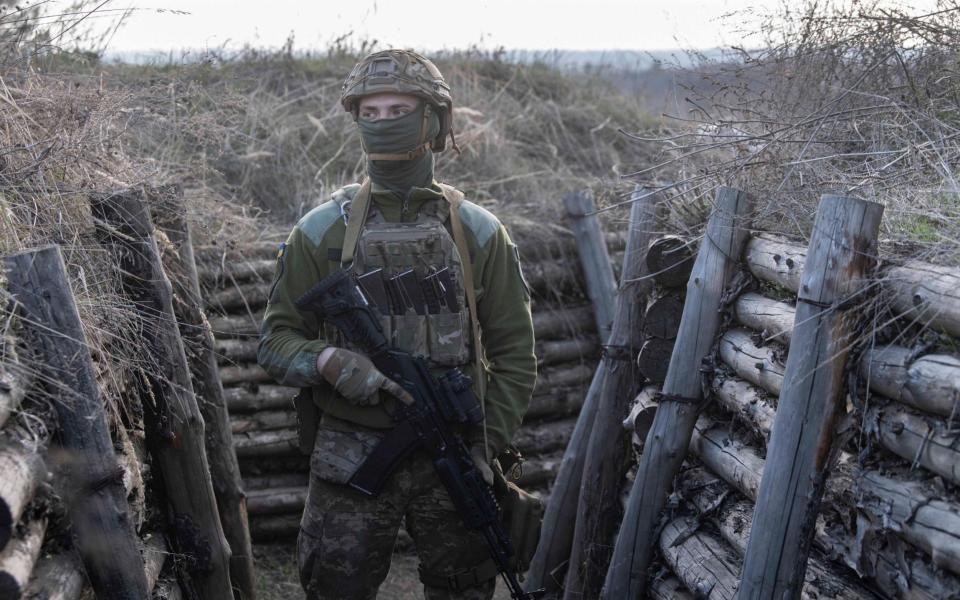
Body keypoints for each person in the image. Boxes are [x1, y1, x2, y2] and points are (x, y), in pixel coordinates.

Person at [257, 49, 537, 600]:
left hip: (453, 452)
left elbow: (515, 355)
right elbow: (275, 339)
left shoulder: (480, 234)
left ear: (432, 120)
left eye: (399, 109)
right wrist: (329, 361)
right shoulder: (320, 232)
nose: (383, 122)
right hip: (351, 454)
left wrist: (487, 443)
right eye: (372, 111)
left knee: (465, 587)